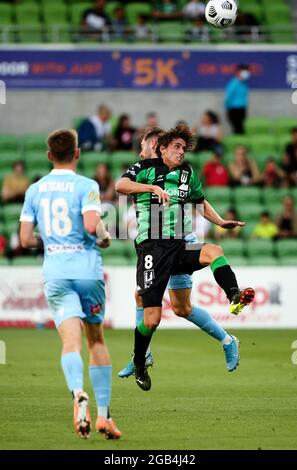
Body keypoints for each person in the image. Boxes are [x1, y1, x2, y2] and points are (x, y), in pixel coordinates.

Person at [116, 124, 255, 391]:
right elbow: (120, 185)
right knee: (155, 316)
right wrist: (152, 189)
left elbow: (199, 201)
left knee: (213, 251)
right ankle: (140, 359)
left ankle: (234, 295)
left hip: (180, 244)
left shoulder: (187, 172)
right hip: (152, 250)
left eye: (184, 147)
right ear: (161, 148)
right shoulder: (143, 169)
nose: (182, 152)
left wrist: (220, 221)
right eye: (177, 147)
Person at [19, 129, 121, 440]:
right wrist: (104, 238)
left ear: (49, 155)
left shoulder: (35, 190)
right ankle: (103, 416)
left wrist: (50, 242)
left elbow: (24, 239)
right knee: (97, 340)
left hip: (56, 273)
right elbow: (92, 226)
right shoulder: (86, 185)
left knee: (70, 343)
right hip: (87, 271)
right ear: (77, 154)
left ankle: (78, 393)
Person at [224, 64, 251, 135]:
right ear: (238, 72)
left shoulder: (244, 84)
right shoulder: (233, 83)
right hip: (234, 110)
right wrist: (227, 109)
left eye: (247, 71)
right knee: (237, 129)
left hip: (242, 109)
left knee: (241, 129)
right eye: (244, 71)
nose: (246, 73)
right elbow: (227, 98)